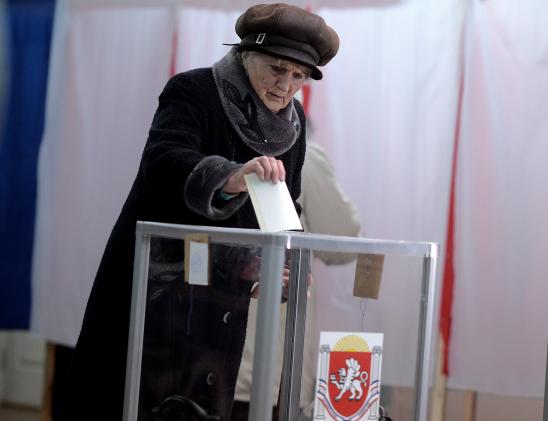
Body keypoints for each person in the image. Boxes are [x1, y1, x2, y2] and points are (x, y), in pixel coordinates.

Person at [60, 4, 339, 421]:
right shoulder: (192, 90)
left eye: (298, 76)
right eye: (276, 69)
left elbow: (287, 206)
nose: (285, 86)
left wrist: (279, 266)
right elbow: (164, 158)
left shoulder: (293, 123)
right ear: (246, 55)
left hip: (220, 299)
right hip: (154, 285)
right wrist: (230, 176)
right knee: (128, 398)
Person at [232, 140, 361, 420]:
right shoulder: (305, 156)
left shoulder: (213, 143)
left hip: (203, 359)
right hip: (273, 370)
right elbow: (345, 240)